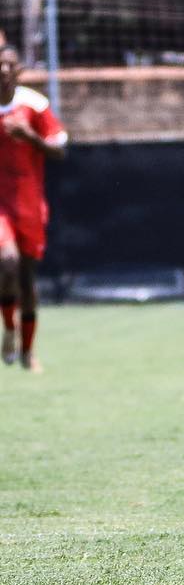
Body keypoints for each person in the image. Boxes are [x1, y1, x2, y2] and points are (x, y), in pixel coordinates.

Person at [0, 43, 68, 373]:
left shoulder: (34, 106)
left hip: (29, 205)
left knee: (27, 280)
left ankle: (28, 351)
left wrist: (30, 138)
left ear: (19, 71)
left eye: (8, 64)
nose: (2, 70)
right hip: (0, 207)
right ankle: (9, 329)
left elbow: (59, 151)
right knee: (7, 262)